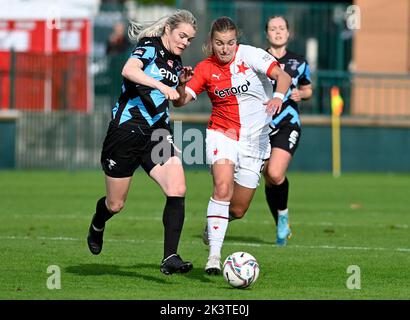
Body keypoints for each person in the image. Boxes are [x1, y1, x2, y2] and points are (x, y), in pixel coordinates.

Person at [173, 16, 291, 274]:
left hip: (256, 141)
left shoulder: (250, 56)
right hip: (222, 134)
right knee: (222, 188)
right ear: (211, 43)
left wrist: (279, 97)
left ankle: (214, 224)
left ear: (237, 41)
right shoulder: (204, 68)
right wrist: (181, 85)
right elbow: (180, 102)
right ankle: (214, 257)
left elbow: (282, 76)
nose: (225, 49)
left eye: (230, 43)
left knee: (237, 209)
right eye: (219, 43)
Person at [87, 9, 197, 275]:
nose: (184, 42)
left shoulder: (176, 61)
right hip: (126, 132)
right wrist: (162, 87)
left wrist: (181, 85)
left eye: (190, 39)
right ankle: (98, 222)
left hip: (158, 134)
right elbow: (129, 70)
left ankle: (170, 256)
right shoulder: (149, 47)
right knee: (116, 205)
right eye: (182, 35)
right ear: (168, 30)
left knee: (177, 187)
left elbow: (178, 101)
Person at [263, 16, 313, 245]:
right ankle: (280, 224)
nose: (278, 32)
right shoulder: (259, 59)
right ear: (267, 34)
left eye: (281, 28)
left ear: (288, 33)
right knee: (268, 178)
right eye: (273, 29)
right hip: (262, 125)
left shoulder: (298, 61)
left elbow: (308, 89)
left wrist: (300, 94)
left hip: (287, 123)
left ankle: (283, 217)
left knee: (274, 173)